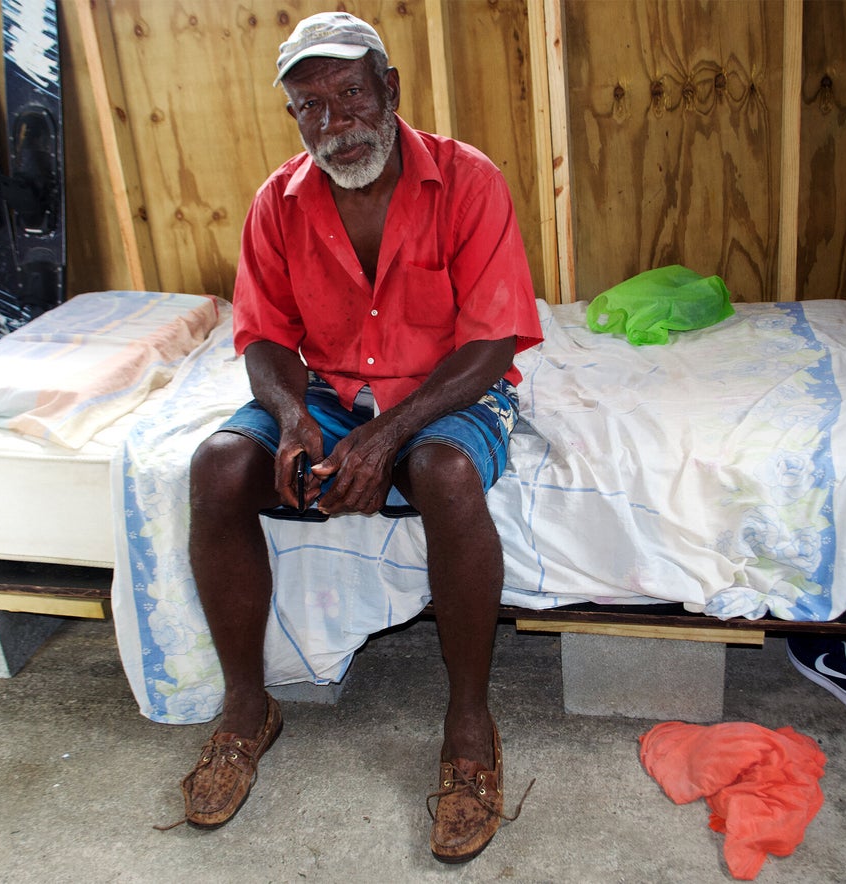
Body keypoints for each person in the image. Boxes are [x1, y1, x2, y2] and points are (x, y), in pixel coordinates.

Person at [173, 11, 544, 864]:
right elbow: (261, 337)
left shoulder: (468, 180)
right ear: (294, 118)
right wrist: (298, 420)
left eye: (349, 94)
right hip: (334, 390)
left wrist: (387, 440)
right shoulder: (278, 202)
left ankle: (469, 728)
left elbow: (492, 343)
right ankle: (245, 708)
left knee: (443, 471)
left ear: (389, 89)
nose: (335, 123)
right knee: (221, 464)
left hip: (448, 388)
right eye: (311, 107)